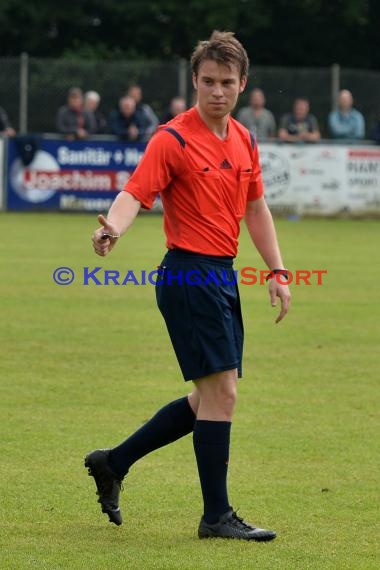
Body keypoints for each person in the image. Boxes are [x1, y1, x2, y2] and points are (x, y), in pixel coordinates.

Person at [85, 30, 291, 542]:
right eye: (206, 81)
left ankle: (113, 461)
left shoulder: (244, 138)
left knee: (209, 400)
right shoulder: (171, 138)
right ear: (194, 81)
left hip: (221, 276)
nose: (216, 91)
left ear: (242, 83)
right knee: (222, 393)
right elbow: (135, 192)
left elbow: (255, 208)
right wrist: (112, 226)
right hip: (188, 274)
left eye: (226, 82)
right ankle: (216, 516)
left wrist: (279, 270)